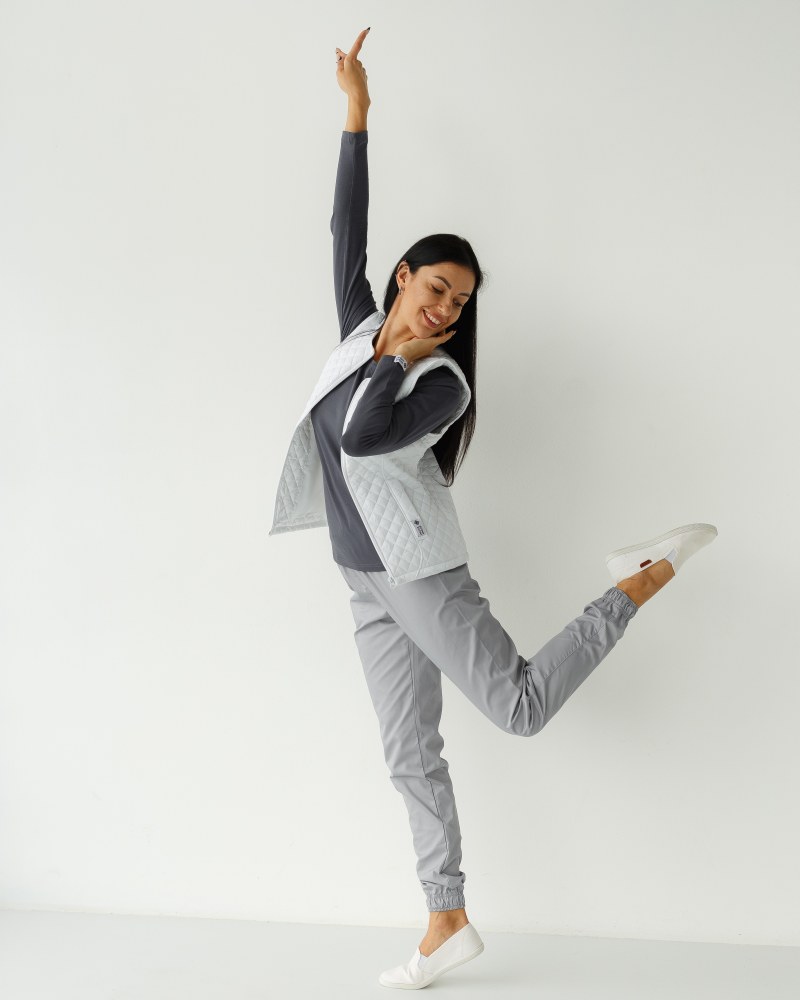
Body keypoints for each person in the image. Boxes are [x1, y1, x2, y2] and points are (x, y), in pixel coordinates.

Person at [269, 26, 718, 991]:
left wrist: (396, 355)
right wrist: (357, 115)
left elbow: (361, 439)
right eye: (436, 289)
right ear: (404, 277)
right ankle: (446, 917)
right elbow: (344, 230)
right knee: (408, 752)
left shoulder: (438, 386)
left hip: (418, 573)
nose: (446, 310)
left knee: (517, 708)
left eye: (460, 303)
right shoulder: (358, 331)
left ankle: (639, 580)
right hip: (363, 580)